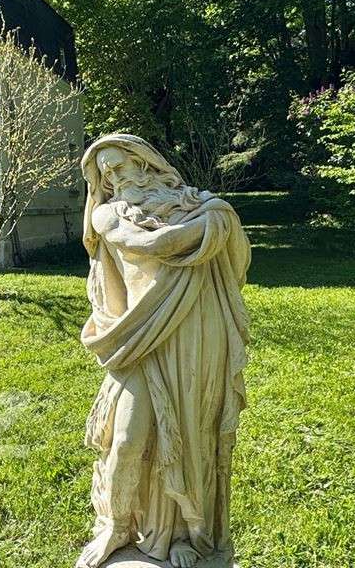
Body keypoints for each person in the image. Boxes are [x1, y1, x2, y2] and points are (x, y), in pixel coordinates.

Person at [76, 134, 250, 568]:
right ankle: (118, 525)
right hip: (140, 339)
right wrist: (218, 217)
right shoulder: (108, 214)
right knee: (127, 439)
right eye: (105, 175)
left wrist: (219, 219)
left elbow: (238, 262)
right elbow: (155, 245)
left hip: (196, 335)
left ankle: (186, 536)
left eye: (119, 166)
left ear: (143, 162)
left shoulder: (193, 203)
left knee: (194, 436)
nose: (114, 179)